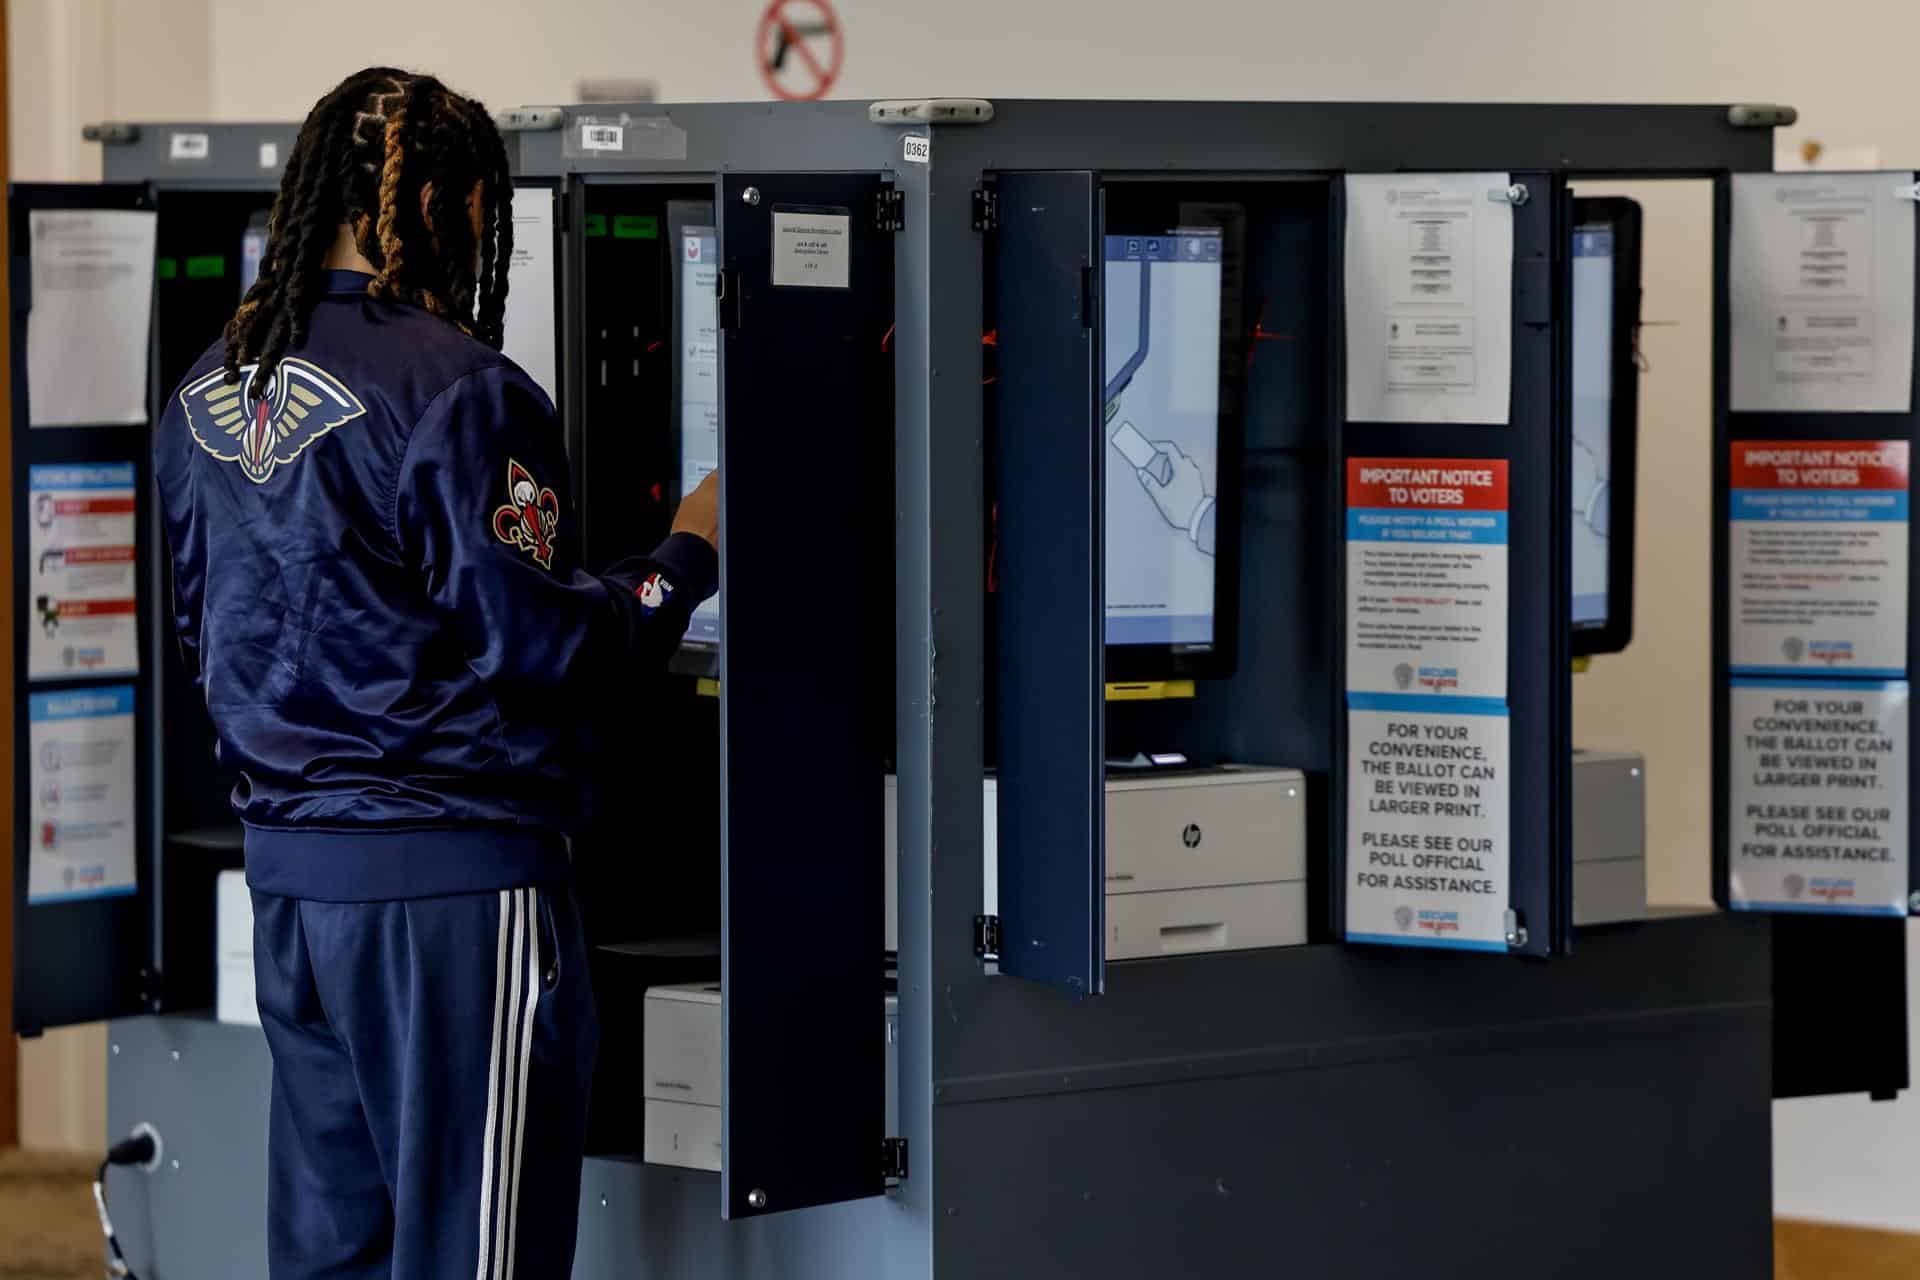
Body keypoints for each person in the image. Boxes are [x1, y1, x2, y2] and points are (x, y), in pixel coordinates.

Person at [153, 67, 718, 1280]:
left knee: (333, 1258)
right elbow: (546, 649)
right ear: (455, 205)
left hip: (294, 900)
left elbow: (207, 635)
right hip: (458, 898)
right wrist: (684, 557)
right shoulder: (460, 390)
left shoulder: (210, 386)